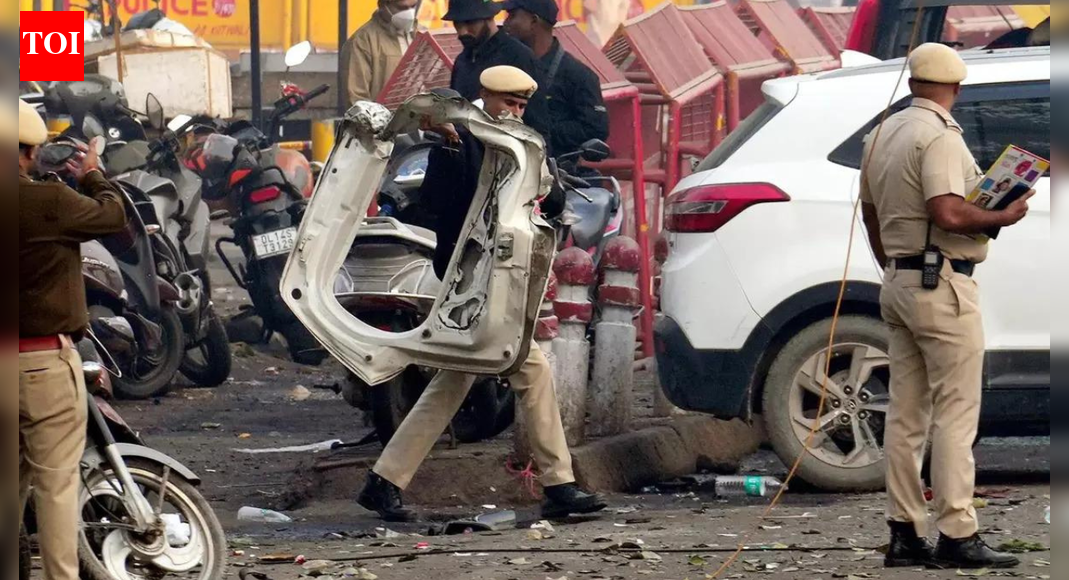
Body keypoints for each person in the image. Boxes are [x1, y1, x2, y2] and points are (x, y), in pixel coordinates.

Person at [357, 66, 605, 523]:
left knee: (456, 380)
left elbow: (550, 202)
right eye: (508, 103)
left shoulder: (522, 142)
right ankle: (559, 484)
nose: (514, 112)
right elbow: (438, 203)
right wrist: (450, 145)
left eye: (521, 105)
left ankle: (384, 481)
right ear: (484, 97)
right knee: (530, 368)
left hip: (501, 277)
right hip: (469, 280)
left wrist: (544, 176)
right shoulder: (460, 139)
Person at [859, 44, 1033, 571]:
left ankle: (906, 533)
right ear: (956, 88)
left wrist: (896, 265)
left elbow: (870, 215)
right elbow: (949, 213)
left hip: (900, 282)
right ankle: (958, 533)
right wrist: (1003, 215)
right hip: (942, 285)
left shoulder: (881, 133)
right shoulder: (938, 135)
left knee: (906, 415)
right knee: (956, 415)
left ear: (914, 82)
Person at [18, 99, 127, 580]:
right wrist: (93, 174)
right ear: (28, 153)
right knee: (57, 489)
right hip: (43, 365)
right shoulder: (50, 200)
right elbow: (113, 216)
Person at [504, 0, 610, 157]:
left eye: (512, 16)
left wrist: (538, 129)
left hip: (556, 166)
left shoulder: (578, 76)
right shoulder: (505, 65)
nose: (505, 24)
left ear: (533, 21)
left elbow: (595, 129)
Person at [444, 0, 552, 145]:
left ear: (488, 17)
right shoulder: (462, 61)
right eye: (457, 24)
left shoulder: (518, 56)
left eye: (470, 23)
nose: (463, 31)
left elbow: (538, 124)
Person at [342, 0, 419, 105]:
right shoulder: (363, 41)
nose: (409, 13)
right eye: (402, 8)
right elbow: (356, 100)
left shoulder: (417, 34)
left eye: (413, 6)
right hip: (384, 114)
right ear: (384, 5)